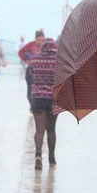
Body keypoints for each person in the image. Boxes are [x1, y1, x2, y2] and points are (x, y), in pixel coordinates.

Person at [28, 38, 58, 170]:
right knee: (51, 129)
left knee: (39, 129)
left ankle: (38, 156)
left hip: (38, 98)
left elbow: (31, 75)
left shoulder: (35, 60)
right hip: (53, 99)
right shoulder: (59, 61)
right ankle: (51, 158)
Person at [18, 30, 45, 104]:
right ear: (35, 39)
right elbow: (20, 52)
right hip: (31, 70)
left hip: (42, 73)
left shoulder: (46, 46)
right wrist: (26, 60)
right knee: (30, 89)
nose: (40, 42)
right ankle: (32, 105)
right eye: (38, 40)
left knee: (40, 90)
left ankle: (37, 106)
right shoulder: (30, 45)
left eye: (42, 40)